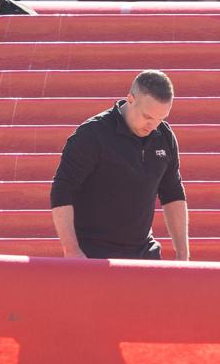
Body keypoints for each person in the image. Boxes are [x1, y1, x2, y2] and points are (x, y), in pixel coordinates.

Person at [50, 70, 190, 261]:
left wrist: (182, 253)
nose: (153, 126)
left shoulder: (164, 137)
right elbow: (62, 189)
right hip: (93, 252)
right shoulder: (92, 135)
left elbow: (172, 193)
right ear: (130, 99)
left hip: (143, 252)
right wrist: (72, 250)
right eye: (148, 117)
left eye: (161, 119)